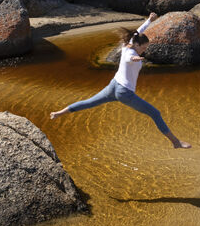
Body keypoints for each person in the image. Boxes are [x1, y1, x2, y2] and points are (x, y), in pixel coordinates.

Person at [51, 12, 191, 149]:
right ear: (137, 45)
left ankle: (58, 113)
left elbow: (138, 31)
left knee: (89, 102)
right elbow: (129, 58)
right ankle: (175, 142)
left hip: (114, 85)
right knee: (155, 113)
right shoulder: (131, 53)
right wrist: (135, 58)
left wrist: (149, 20)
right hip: (124, 93)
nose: (144, 50)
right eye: (143, 48)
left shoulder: (129, 43)